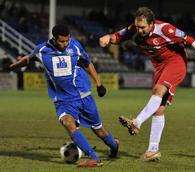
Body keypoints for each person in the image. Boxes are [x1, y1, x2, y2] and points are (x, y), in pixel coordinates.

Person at [99, 7, 195, 161]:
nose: (139, 30)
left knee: (158, 90)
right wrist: (107, 38)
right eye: (137, 26)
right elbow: (117, 37)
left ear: (152, 24)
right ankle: (153, 150)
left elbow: (190, 40)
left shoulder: (166, 29)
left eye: (142, 27)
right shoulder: (134, 29)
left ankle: (137, 122)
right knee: (159, 109)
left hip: (176, 62)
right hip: (159, 67)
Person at [10, 24, 119, 167]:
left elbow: (87, 63)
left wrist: (99, 84)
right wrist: (13, 66)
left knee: (99, 131)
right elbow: (29, 58)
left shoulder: (75, 46)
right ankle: (94, 158)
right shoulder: (42, 50)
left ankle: (114, 146)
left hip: (83, 95)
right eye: (62, 41)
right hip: (63, 100)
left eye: (67, 40)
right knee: (69, 123)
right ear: (54, 39)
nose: (65, 44)